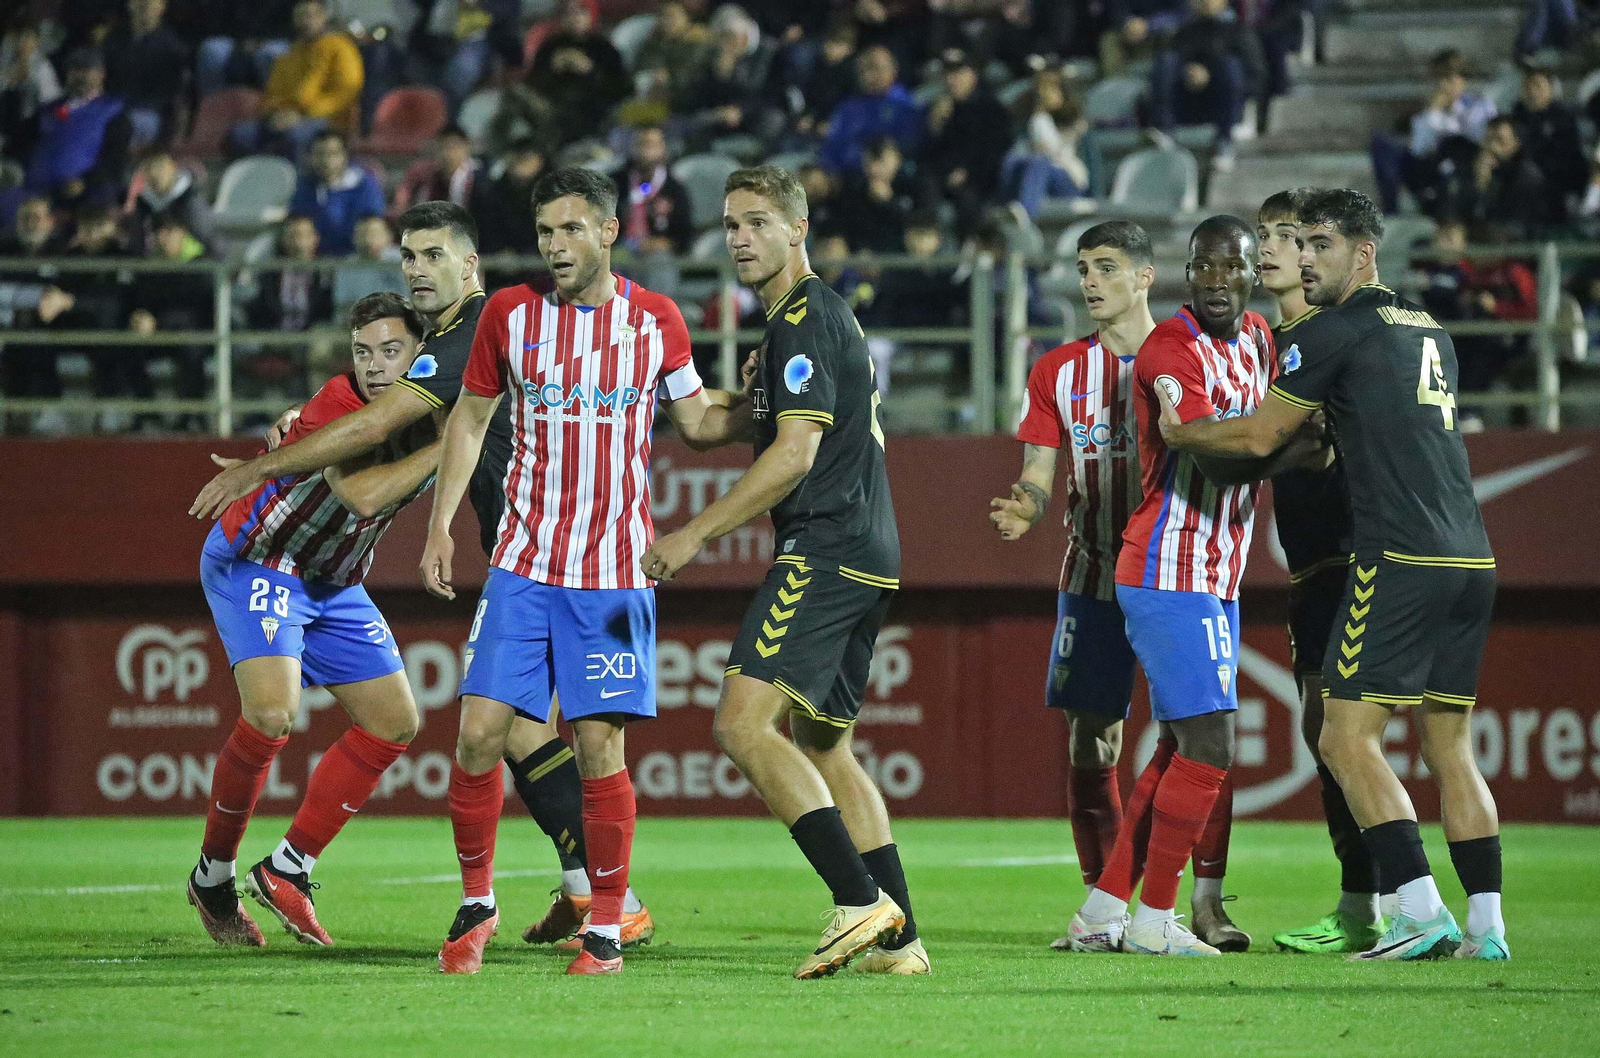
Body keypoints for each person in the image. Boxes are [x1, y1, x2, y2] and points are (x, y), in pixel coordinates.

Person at [191, 199, 658, 956]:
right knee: (496, 727)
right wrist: (309, 427)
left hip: (556, 551)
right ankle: (220, 874)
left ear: (468, 264)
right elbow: (365, 456)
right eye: (407, 256)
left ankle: (598, 896)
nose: (415, 268)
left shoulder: (468, 337)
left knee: (506, 728)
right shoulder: (413, 374)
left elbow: (399, 426)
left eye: (432, 255)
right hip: (272, 557)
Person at [1151, 188, 1507, 962]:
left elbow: (1258, 436)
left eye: (1317, 246)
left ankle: (1414, 913)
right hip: (1471, 555)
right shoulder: (1427, 325)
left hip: (1398, 556)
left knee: (1344, 741)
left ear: (1364, 253)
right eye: (1297, 245)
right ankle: (1488, 927)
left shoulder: (1330, 332)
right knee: (1452, 748)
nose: (1305, 259)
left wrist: (1181, 433)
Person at [417, 170, 747, 975]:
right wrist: (439, 527)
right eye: (544, 233)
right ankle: (476, 900)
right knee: (476, 735)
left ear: (607, 232)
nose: (554, 247)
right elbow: (469, 419)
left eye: (570, 230)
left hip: (613, 576)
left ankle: (604, 927)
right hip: (522, 566)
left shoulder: (656, 320)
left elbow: (699, 422)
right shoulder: (510, 314)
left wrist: (775, 401)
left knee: (599, 750)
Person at [642, 165, 927, 979]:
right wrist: (668, 366)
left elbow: (794, 453)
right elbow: (709, 426)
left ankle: (857, 900)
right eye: (731, 223)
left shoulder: (803, 318)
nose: (739, 237)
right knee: (826, 746)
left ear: (796, 231)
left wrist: (694, 533)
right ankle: (900, 942)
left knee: (738, 725)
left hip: (827, 545)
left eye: (758, 222)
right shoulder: (803, 327)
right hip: (871, 550)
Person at [991, 218, 1248, 952]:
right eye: (1081, 268)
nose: (1089, 281)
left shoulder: (1190, 351)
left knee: (1194, 729)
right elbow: (1040, 471)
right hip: (1096, 575)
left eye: (1105, 266)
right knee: (1094, 742)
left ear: (1144, 276)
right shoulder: (1056, 372)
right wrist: (1026, 506)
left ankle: (1204, 902)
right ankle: (1103, 902)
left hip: (1181, 568)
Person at [1069, 215, 1319, 957]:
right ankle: (1156, 920)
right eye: (1202, 268)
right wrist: (1292, 446)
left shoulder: (1257, 343)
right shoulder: (1169, 349)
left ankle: (1104, 909)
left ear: (1251, 273)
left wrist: (1267, 438)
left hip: (1217, 576)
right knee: (1211, 744)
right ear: (1185, 271)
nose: (1215, 282)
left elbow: (1248, 441)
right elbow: (1224, 463)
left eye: (1230, 268)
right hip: (1166, 568)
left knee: (1180, 746)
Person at [186, 292, 439, 947]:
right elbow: (360, 493)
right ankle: (213, 878)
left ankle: (288, 869)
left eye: (391, 351)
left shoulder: (433, 410)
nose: (377, 366)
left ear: (421, 353)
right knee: (272, 713)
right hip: (262, 555)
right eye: (363, 352)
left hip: (332, 578)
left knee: (396, 720)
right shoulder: (342, 405)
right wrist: (458, 441)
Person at [1253, 189, 1391, 955]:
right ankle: (1376, 904)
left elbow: (1299, 441)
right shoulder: (1269, 342)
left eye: (1289, 236)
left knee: (1340, 731)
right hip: (1310, 562)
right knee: (1326, 732)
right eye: (1266, 236)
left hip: (1354, 553)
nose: (1277, 250)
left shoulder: (1331, 336)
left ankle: (1387, 905)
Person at [230, 0, 364, 160]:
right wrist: (275, 114)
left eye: (312, 15)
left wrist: (304, 115)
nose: (307, 21)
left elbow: (345, 93)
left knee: (296, 136)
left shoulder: (341, 48)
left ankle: (299, 182)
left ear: (324, 17)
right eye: (301, 16)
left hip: (326, 119)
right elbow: (271, 94)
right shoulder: (289, 54)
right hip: (286, 117)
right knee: (241, 135)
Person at [1369, 49, 1495, 216]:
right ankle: (1391, 209)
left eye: (1449, 80)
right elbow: (1418, 148)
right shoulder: (1430, 111)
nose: (1443, 86)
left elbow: (1474, 140)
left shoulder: (1479, 106)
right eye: (1439, 80)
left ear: (1462, 80)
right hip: (1429, 169)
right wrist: (1432, 113)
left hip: (1461, 167)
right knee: (1383, 144)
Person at [1149, 0, 1264, 172]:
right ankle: (1165, 131)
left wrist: (1210, 76)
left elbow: (1255, 77)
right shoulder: (1187, 31)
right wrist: (1188, 74)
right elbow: (1175, 64)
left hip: (1226, 110)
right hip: (1191, 102)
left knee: (1230, 67)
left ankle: (1225, 143)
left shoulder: (1240, 31)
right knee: (1167, 62)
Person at [24, 48, 130, 207]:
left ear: (101, 74)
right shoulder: (49, 109)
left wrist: (85, 182)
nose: (80, 76)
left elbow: (115, 161)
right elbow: (24, 140)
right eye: (74, 70)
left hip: (82, 199)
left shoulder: (114, 113)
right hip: (37, 194)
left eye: (86, 70)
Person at [921, 49, 1011, 225]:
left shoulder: (990, 108)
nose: (952, 80)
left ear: (973, 74)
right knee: (924, 186)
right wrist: (935, 126)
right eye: (948, 74)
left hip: (979, 179)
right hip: (943, 175)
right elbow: (928, 155)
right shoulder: (940, 109)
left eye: (958, 73)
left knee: (969, 202)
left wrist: (968, 171)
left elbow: (996, 150)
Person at [818, 45, 922, 175]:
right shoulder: (847, 108)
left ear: (892, 70)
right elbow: (831, 148)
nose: (868, 75)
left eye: (875, 68)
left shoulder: (903, 104)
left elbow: (911, 144)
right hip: (850, 178)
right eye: (863, 70)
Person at [102, 0, 189, 149]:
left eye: (151, 3)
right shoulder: (113, 40)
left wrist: (176, 134)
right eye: (140, 2)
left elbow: (179, 97)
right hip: (112, 107)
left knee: (123, 126)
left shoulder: (172, 48)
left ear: (162, 7)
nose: (145, 6)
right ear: (129, 4)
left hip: (148, 113)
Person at [287, 130, 386, 257]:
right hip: (314, 260)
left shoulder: (364, 184)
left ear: (344, 155)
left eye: (332, 154)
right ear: (310, 157)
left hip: (356, 258)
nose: (326, 160)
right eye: (319, 154)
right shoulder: (304, 186)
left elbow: (372, 224)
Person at [127, 148, 212, 254]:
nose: (155, 173)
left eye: (160, 166)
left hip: (196, 264)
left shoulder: (192, 198)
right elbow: (137, 246)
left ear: (172, 167)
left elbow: (210, 241)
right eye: (149, 167)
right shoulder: (143, 204)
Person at [470, 137, 544, 257]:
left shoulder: (550, 197)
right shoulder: (489, 194)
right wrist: (498, 251)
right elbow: (483, 231)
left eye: (527, 157)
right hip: (496, 266)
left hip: (539, 267)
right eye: (517, 156)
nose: (521, 162)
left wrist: (521, 256)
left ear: (539, 161)